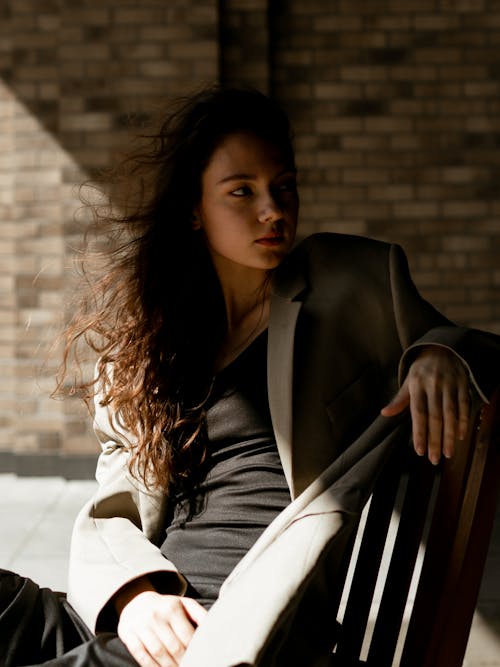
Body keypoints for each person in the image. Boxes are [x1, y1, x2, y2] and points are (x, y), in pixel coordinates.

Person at [0, 86, 498, 667]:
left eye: (284, 186)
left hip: (236, 634)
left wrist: (440, 352)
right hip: (144, 620)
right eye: (243, 192)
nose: (273, 210)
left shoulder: (347, 280)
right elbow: (116, 508)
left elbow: (478, 348)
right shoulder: (153, 347)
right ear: (194, 208)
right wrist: (136, 598)